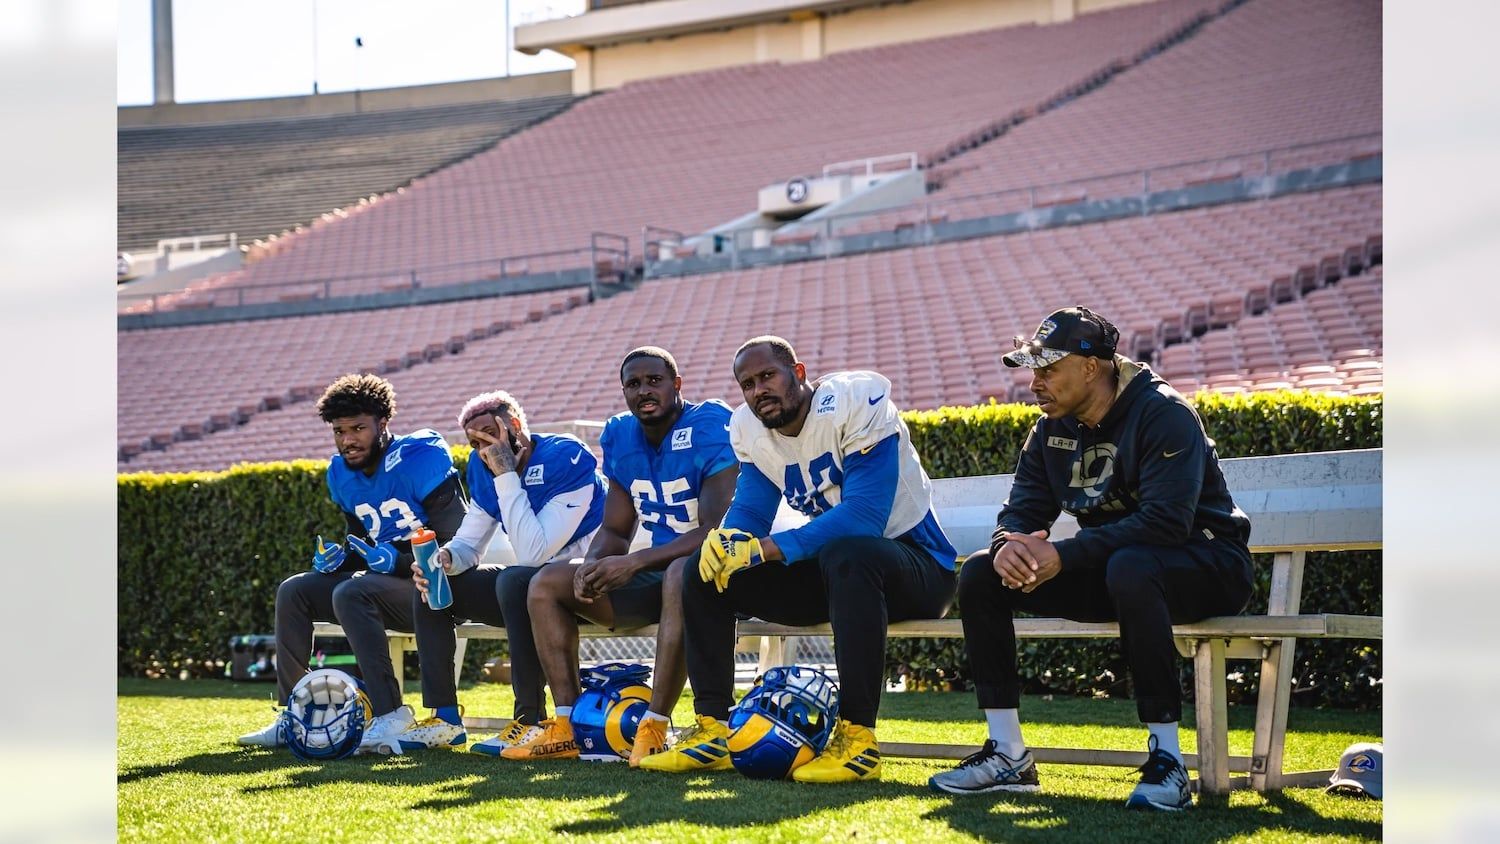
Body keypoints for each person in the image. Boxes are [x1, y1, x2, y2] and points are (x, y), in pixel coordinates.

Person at [927, 306, 1253, 812]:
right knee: (981, 574)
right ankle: (1008, 753)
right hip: (1122, 572)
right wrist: (1009, 546)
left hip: (1208, 564)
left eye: (1048, 368)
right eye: (1033, 369)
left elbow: (1166, 523)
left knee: (1132, 565)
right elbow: (1021, 511)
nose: (1034, 382)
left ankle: (1168, 762)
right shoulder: (1048, 430)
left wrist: (1063, 554)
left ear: (1090, 367)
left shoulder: (1163, 412)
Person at [640, 336, 958, 783]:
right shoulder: (749, 428)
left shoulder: (853, 401)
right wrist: (726, 540)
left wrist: (765, 548)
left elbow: (864, 516)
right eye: (748, 384)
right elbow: (751, 511)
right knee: (702, 572)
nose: (758, 390)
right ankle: (714, 730)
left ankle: (858, 738)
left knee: (851, 552)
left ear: (799, 373)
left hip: (918, 568)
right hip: (838, 577)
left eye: (767, 376)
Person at [504, 347, 738, 764]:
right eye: (633, 384)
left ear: (677, 385)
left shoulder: (708, 425)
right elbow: (614, 529)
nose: (644, 390)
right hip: (657, 572)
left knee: (679, 573)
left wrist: (634, 562)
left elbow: (713, 530)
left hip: (714, 571)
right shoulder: (621, 436)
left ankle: (654, 725)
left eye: (654, 381)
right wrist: (592, 564)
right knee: (546, 583)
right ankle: (568, 724)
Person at [236, 373, 466, 752]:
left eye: (358, 428)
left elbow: (456, 540)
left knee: (353, 591)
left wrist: (397, 562)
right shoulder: (341, 473)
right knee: (295, 591)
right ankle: (294, 712)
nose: (347, 440)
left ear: (383, 423)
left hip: (437, 589)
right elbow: (362, 540)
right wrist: (341, 558)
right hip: (381, 588)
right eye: (339, 431)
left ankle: (390, 713)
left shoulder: (419, 456)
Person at [390, 390, 606, 754]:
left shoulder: (564, 456)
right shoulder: (483, 468)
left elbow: (534, 553)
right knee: (432, 584)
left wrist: (506, 474)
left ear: (515, 426)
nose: (483, 450)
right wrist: (446, 558)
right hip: (533, 588)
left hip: (587, 586)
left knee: (515, 580)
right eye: (475, 443)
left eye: (490, 435)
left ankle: (529, 720)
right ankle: (445, 719)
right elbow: (470, 541)